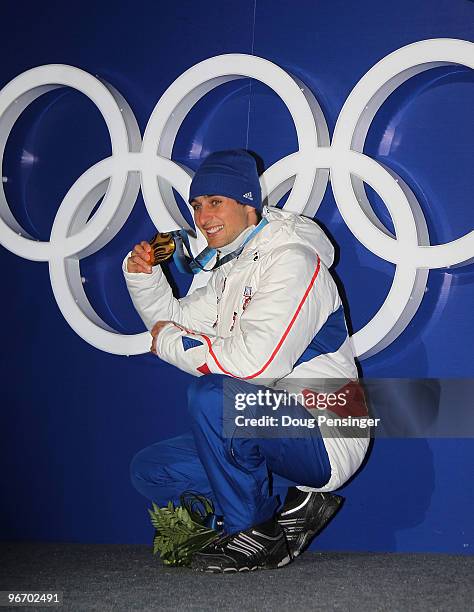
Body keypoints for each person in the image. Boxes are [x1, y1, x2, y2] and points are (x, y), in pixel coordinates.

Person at [123, 149, 369, 573]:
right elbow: (175, 321)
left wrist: (169, 344)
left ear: (248, 203)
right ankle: (288, 517)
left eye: (215, 203)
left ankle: (251, 533)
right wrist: (143, 279)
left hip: (327, 426)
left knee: (214, 398)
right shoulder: (231, 268)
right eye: (197, 206)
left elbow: (257, 365)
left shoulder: (292, 260)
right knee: (153, 470)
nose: (202, 217)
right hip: (273, 424)